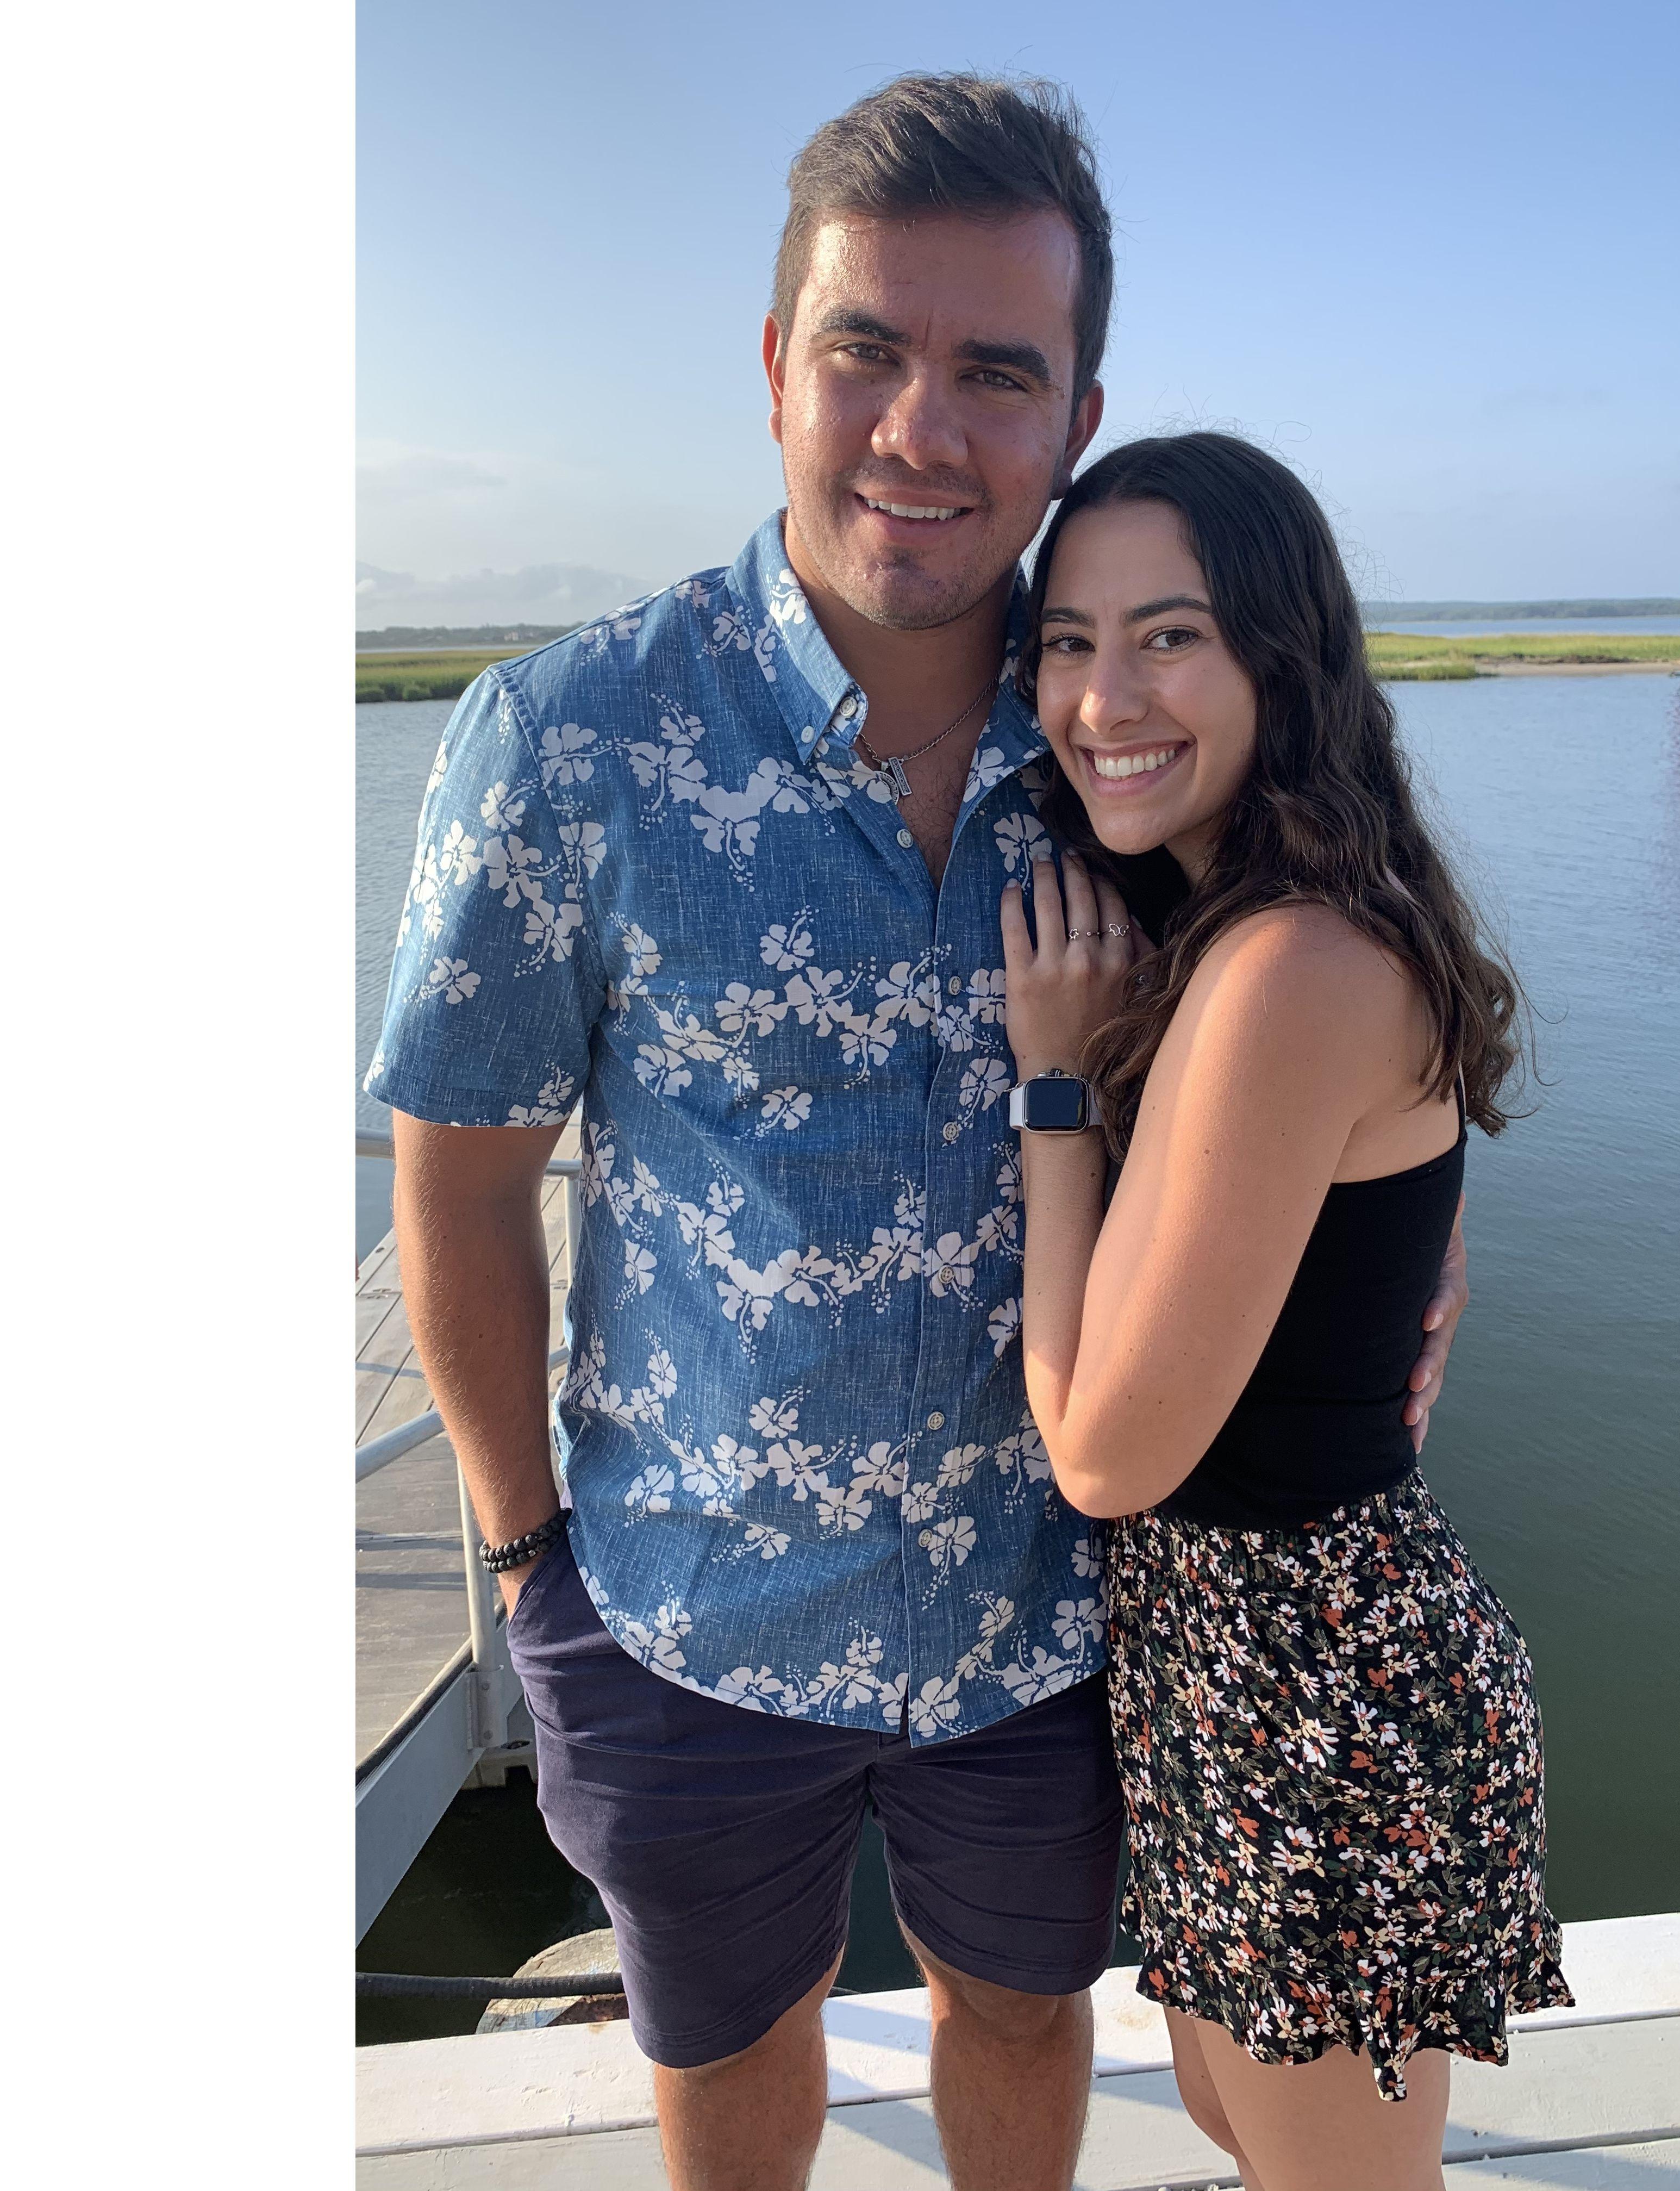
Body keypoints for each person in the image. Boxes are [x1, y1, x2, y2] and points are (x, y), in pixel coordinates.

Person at [366, 76, 1468, 2191]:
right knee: (729, 2061)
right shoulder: (572, 742)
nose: (923, 428)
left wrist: (1413, 1270)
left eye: (999, 372)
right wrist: (528, 1569)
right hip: (684, 1618)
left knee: (1027, 2022)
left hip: (1057, 1625)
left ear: (1077, 413)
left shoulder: (1131, 735)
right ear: (779, 364)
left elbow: (1341, 1015)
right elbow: (465, 1180)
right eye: (867, 348)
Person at [998, 432, 1570, 2191]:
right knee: (1243, 2125)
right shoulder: (1242, 932)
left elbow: (1103, 1455)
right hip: (1230, 1664)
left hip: (1319, 1685)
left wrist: (1052, 1094)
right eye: (1069, 643)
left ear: (1280, 660)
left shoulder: (1286, 965)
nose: (1104, 699)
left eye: (1168, 636)